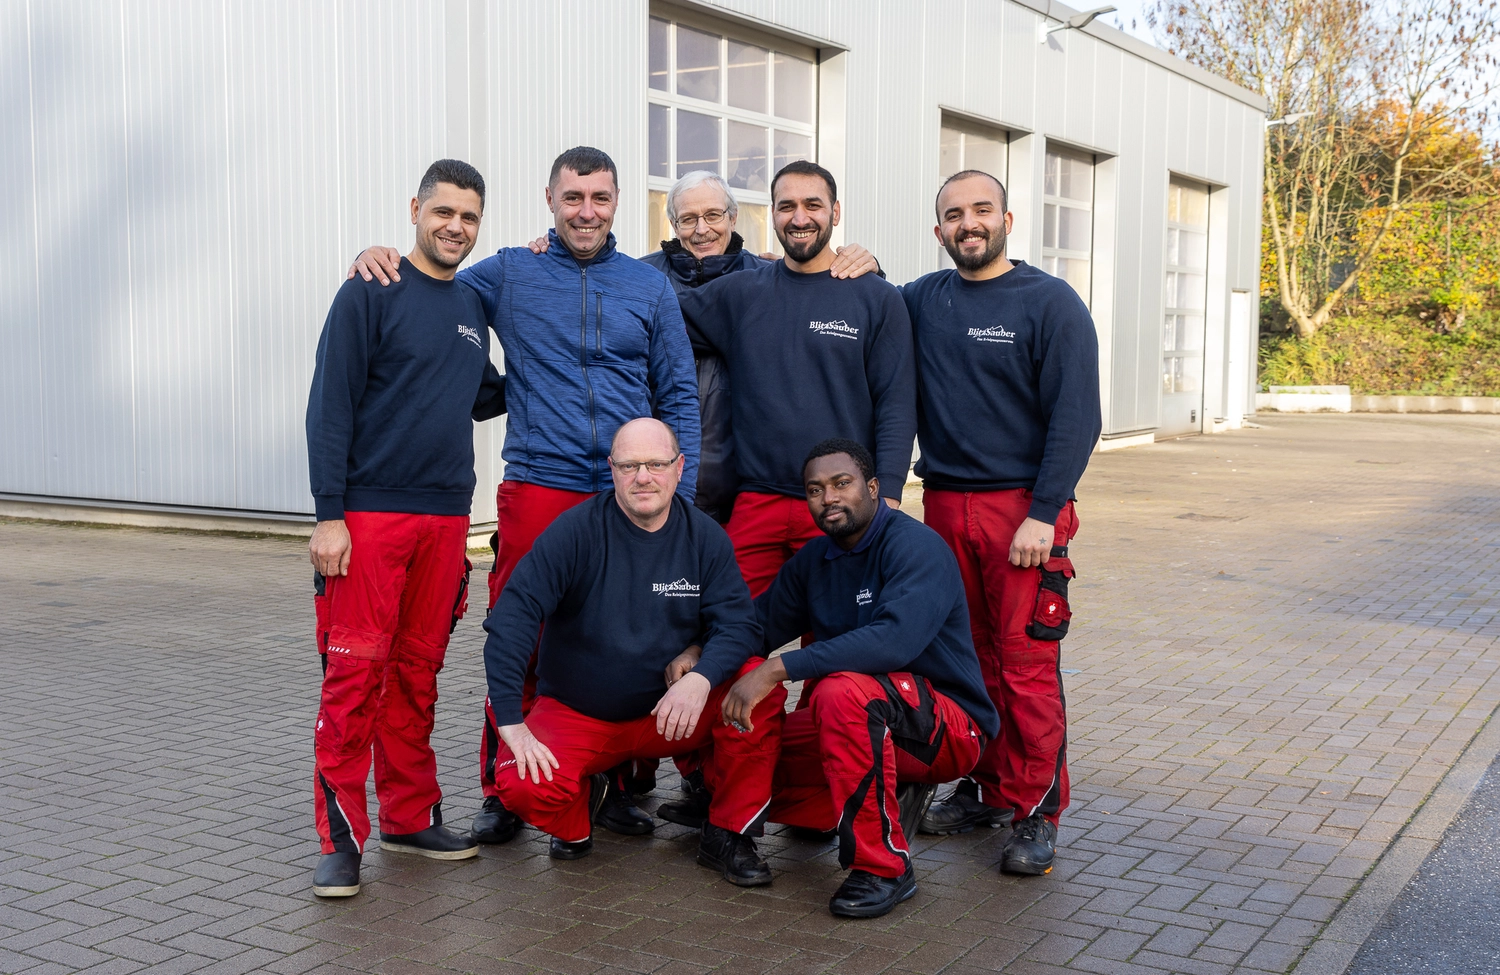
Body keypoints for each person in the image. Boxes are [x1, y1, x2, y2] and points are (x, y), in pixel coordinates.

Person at [347, 147, 701, 839]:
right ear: (549, 199)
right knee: (521, 634)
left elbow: (678, 390)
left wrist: (679, 485)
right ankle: (502, 790)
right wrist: (377, 257)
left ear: (618, 201)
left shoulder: (648, 287)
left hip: (633, 493)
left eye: (599, 197)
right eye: (573, 197)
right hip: (542, 484)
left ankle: (615, 784)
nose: (586, 210)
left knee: (631, 636)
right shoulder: (510, 271)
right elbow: (432, 284)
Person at [529, 169, 881, 824]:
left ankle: (767, 777)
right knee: (644, 632)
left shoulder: (767, 279)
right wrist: (552, 259)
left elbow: (840, 309)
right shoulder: (640, 280)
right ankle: (631, 777)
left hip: (741, 488)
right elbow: (588, 295)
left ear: (737, 216)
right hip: (659, 489)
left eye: (714, 214)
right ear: (670, 223)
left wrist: (864, 261)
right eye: (686, 217)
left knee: (751, 638)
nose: (700, 228)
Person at [305, 159, 506, 898]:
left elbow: (482, 395)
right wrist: (330, 514)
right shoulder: (370, 289)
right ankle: (341, 839)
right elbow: (330, 403)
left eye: (470, 217)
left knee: (417, 673)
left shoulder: (471, 308)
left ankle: (410, 815)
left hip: (447, 518)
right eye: (444, 211)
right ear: (415, 207)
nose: (455, 226)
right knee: (356, 673)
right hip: (370, 517)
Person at [478, 418, 786, 887]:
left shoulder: (705, 537)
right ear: (612, 469)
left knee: (756, 686)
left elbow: (739, 623)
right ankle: (577, 821)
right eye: (629, 465)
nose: (643, 476)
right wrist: (510, 722)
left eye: (656, 464)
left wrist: (702, 676)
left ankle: (729, 834)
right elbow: (513, 617)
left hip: (671, 714)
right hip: (583, 714)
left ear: (679, 468)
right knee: (521, 782)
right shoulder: (574, 532)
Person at [903, 170, 1101, 876]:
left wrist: (1044, 512)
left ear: (1008, 219)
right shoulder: (924, 299)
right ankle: (987, 789)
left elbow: (1078, 417)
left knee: (1024, 666)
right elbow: (861, 309)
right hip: (946, 507)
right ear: (939, 232)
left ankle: (1037, 811)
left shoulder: (1049, 303)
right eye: (953, 214)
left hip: (1023, 511)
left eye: (981, 209)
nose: (969, 223)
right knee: (970, 660)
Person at [718, 439, 999, 918]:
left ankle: (883, 868)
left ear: (872, 488)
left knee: (840, 692)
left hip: (948, 729)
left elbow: (893, 643)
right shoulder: (814, 561)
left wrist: (777, 668)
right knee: (752, 744)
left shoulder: (915, 547)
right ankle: (763, 817)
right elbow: (756, 626)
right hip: (868, 718)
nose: (828, 498)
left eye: (841, 484)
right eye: (814, 489)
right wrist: (698, 656)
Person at [675, 161, 917, 598]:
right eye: (787, 206)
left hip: (841, 501)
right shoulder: (742, 293)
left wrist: (892, 494)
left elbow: (896, 402)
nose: (800, 217)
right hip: (756, 502)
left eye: (813, 205)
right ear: (772, 213)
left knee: (840, 638)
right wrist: (561, 253)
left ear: (836, 212)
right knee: (728, 628)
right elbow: (645, 307)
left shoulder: (877, 298)